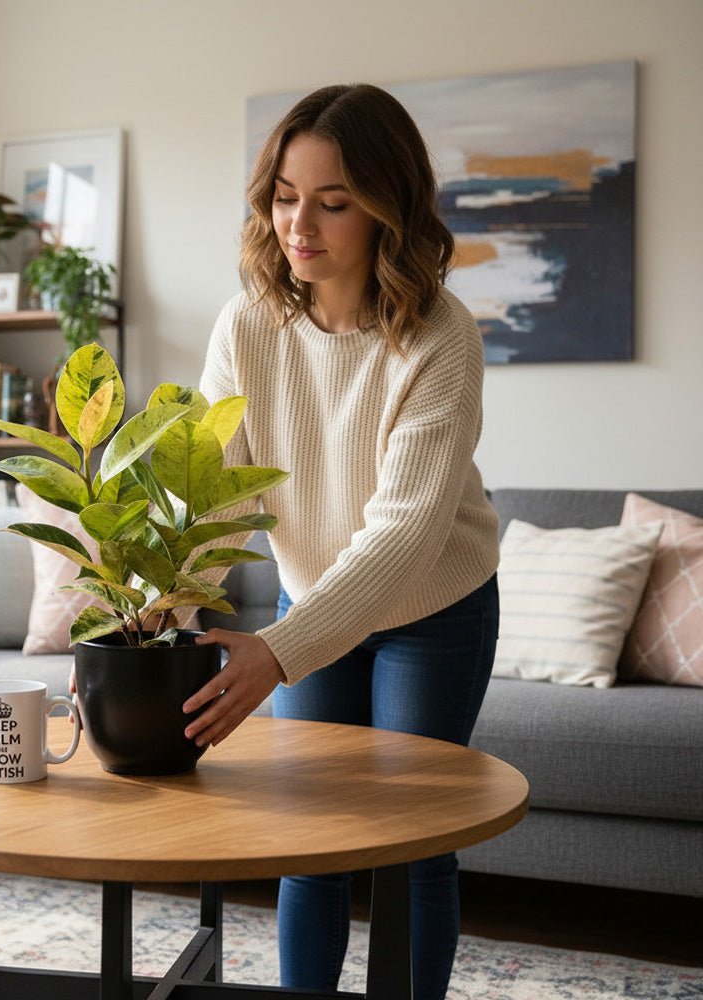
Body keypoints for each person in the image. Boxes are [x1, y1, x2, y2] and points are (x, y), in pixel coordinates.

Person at [181, 84, 501, 998]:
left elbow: (403, 533)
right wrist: (160, 606)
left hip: (433, 606)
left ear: (387, 207)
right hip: (313, 598)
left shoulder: (442, 337)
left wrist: (276, 652)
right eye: (285, 195)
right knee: (309, 842)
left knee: (413, 849)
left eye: (333, 201)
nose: (299, 224)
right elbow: (211, 498)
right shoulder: (246, 328)